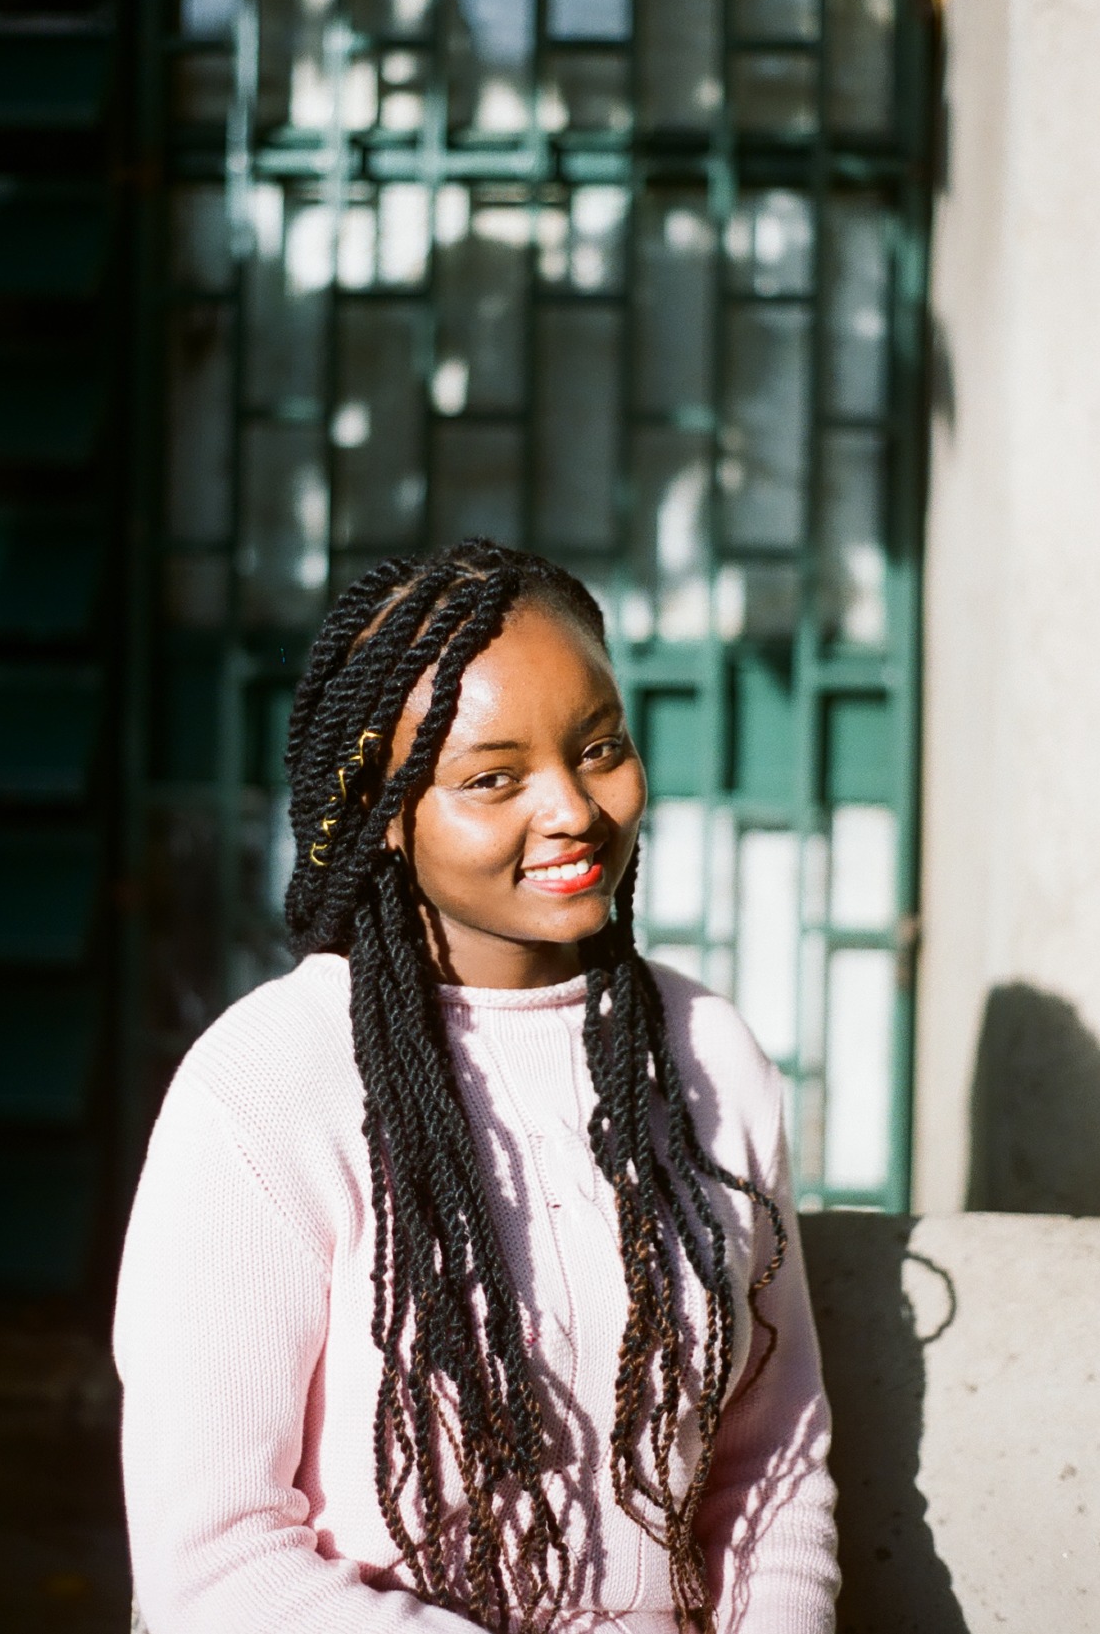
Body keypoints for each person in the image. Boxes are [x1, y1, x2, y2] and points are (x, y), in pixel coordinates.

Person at [114, 540, 839, 1634]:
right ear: (384, 810)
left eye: (598, 748)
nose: (571, 811)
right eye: (491, 777)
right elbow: (213, 1567)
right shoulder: (266, 1088)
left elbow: (770, 1462)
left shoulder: (706, 1054)